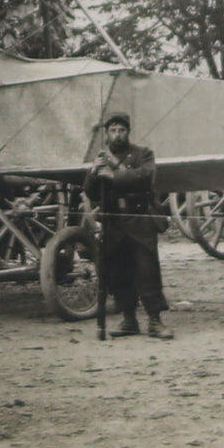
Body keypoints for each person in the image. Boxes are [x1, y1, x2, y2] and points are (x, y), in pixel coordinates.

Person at [89, 112, 172, 339]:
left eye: (121, 130)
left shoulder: (142, 154)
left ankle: (155, 321)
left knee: (147, 270)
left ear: (128, 132)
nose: (117, 135)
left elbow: (144, 177)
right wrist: (95, 173)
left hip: (139, 219)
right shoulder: (101, 158)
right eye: (113, 130)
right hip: (113, 222)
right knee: (117, 271)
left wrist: (113, 174)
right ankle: (129, 319)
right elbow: (90, 192)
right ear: (106, 133)